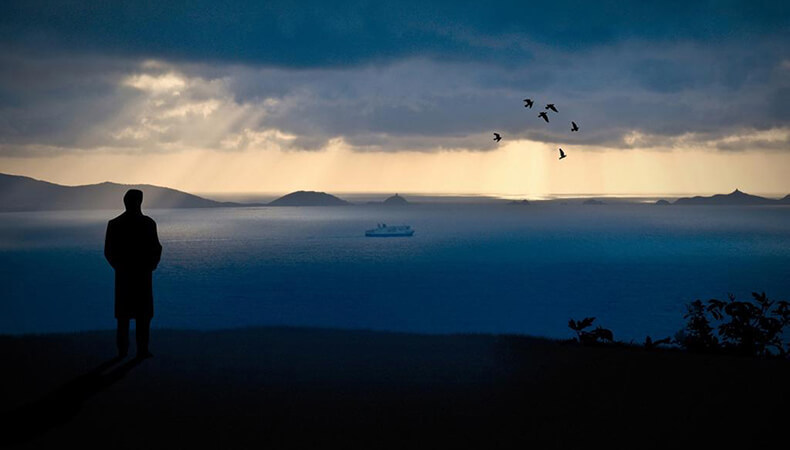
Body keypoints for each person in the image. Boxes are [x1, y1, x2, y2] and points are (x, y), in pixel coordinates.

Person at [104, 189, 162, 359]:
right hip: (141, 276)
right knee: (140, 317)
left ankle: (126, 352)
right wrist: (150, 265)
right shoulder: (148, 223)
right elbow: (156, 248)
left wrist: (120, 268)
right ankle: (139, 351)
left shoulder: (115, 224)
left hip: (126, 277)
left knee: (126, 318)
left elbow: (109, 252)